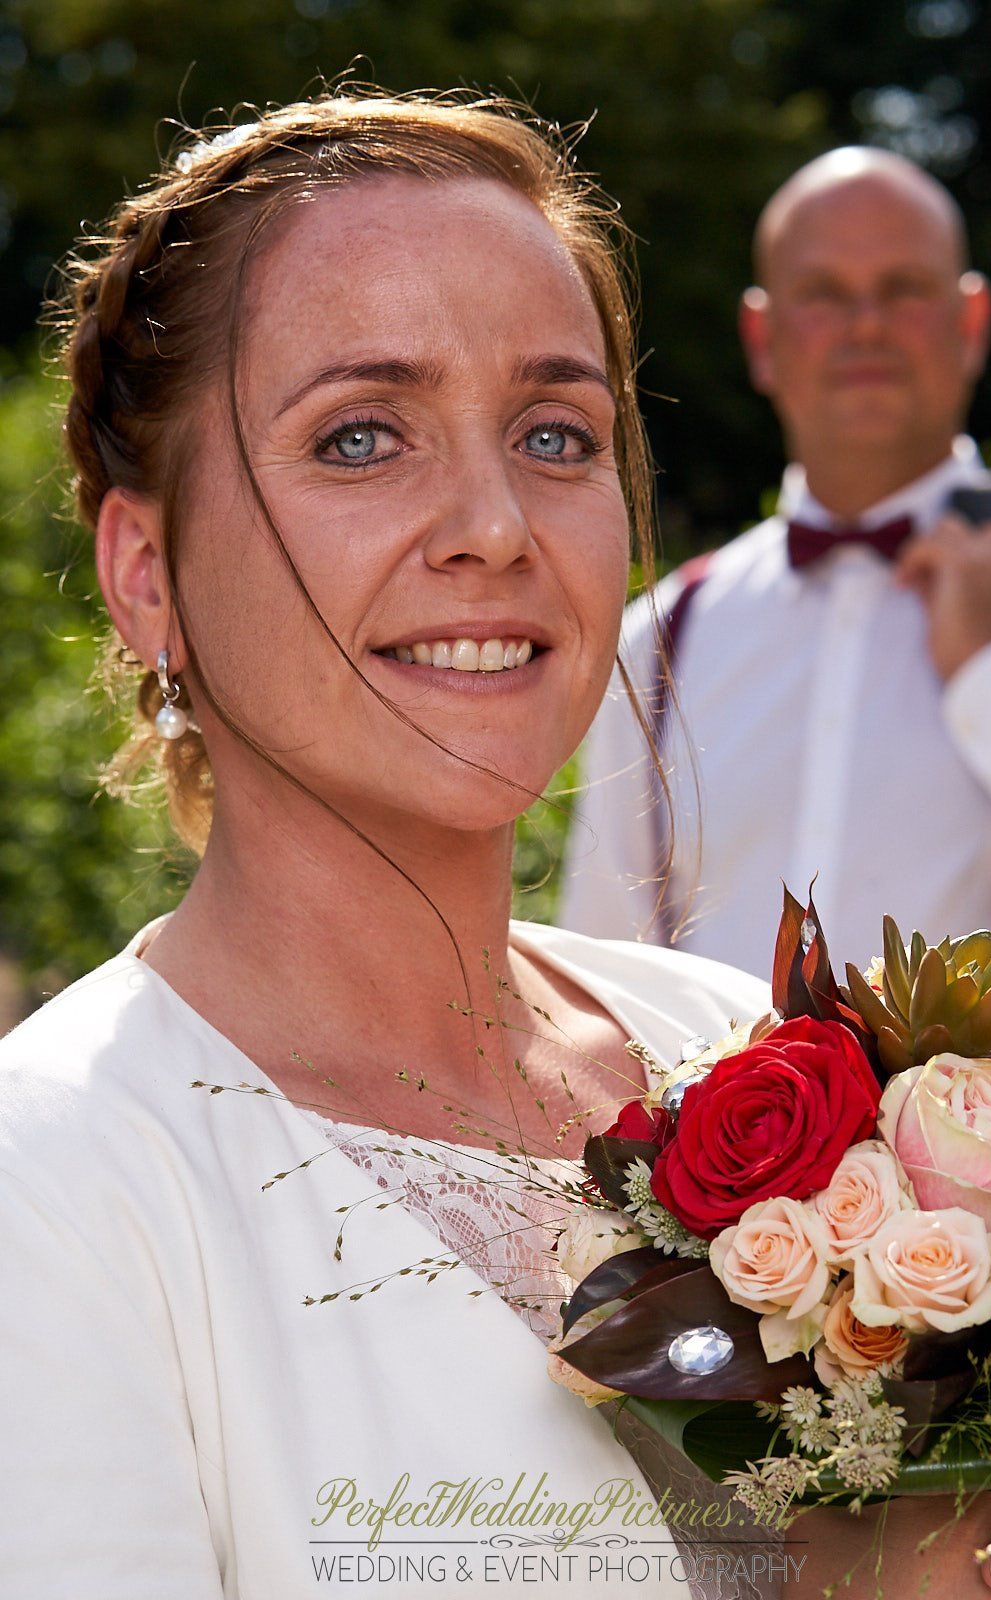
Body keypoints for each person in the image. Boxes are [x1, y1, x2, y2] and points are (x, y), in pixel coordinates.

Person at [0, 90, 775, 1600]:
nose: (496, 524)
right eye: (362, 437)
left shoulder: (753, 1059)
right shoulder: (60, 1184)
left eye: (555, 435)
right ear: (148, 575)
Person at [560, 146, 991, 988]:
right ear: (762, 338)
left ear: (971, 324)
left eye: (904, 289)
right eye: (823, 293)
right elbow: (602, 974)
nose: (866, 326)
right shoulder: (657, 641)